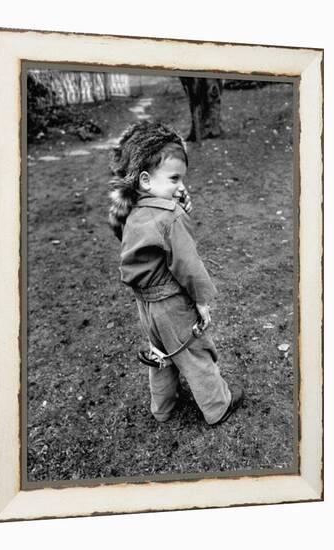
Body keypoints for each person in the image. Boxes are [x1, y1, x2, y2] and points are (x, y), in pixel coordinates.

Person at [108, 121, 243, 425]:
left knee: (161, 356)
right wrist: (202, 302)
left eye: (182, 178)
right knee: (195, 353)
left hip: (146, 306)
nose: (181, 186)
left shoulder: (134, 211)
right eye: (174, 179)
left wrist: (173, 199)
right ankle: (218, 405)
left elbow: (149, 241)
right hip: (171, 306)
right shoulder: (170, 217)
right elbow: (188, 266)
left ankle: (163, 408)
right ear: (145, 180)